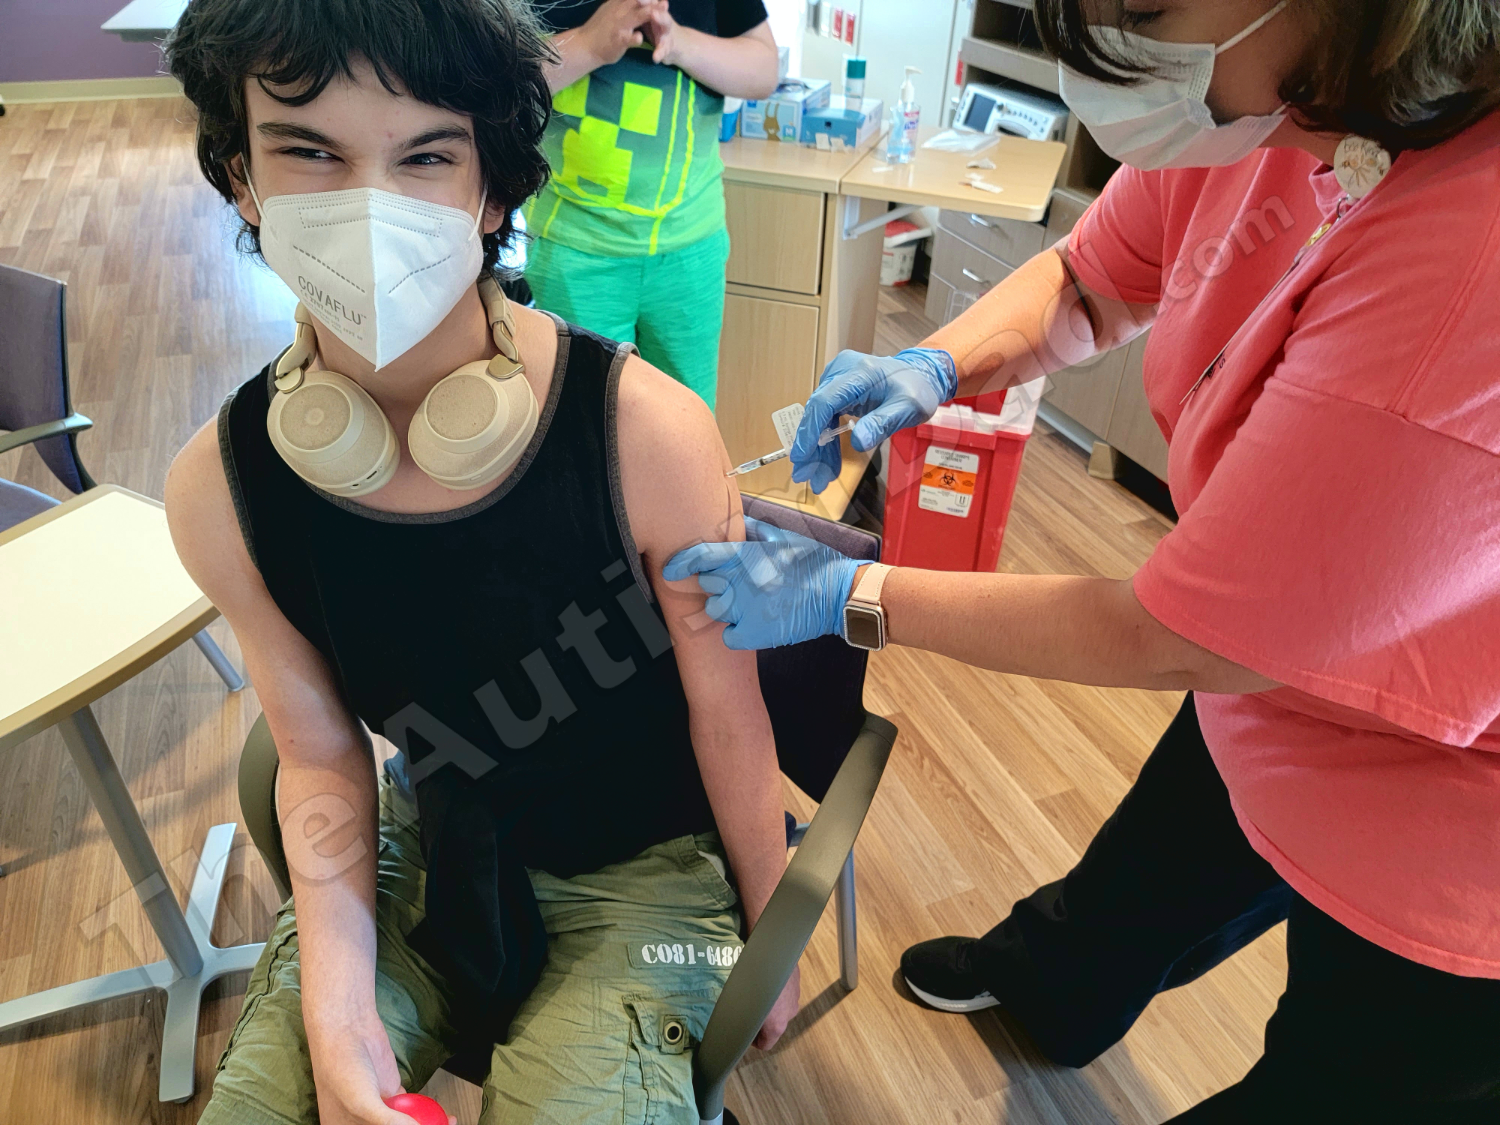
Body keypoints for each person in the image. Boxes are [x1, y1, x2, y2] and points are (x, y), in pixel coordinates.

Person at [665, 0, 1500, 1119]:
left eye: (1141, 10)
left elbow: (1178, 634)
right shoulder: (1255, 119)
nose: (1105, 46)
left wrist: (852, 595)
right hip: (1262, 679)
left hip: (1452, 804)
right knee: (1150, 874)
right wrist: (937, 364)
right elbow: (1093, 277)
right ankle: (1052, 987)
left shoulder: (1467, 259)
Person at [161, 2, 796, 1123]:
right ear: (242, 175)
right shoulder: (223, 488)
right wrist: (338, 1014)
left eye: (426, 156)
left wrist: (773, 934)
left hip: (651, 875)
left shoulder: (645, 436)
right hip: (428, 845)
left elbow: (727, 713)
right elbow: (319, 757)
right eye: (310, 151)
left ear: (492, 190)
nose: (370, 208)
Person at [523, 0, 779, 409]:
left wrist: (679, 43)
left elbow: (764, 70)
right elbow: (491, 83)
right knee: (585, 421)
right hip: (572, 246)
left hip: (690, 247)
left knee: (688, 416)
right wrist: (588, 44)